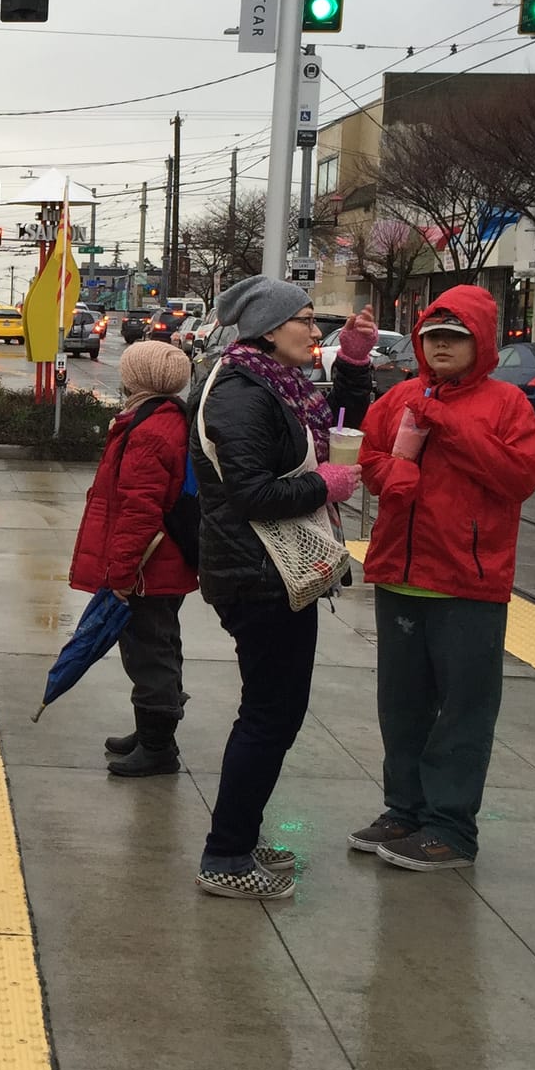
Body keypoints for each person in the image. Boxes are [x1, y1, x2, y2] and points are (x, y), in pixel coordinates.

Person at [189, 276, 376, 900]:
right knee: (270, 715)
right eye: (304, 319)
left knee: (274, 713)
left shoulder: (274, 385)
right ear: (269, 329)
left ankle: (238, 836)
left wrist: (352, 364)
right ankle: (226, 854)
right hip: (257, 574)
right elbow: (253, 495)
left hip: (270, 574)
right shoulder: (241, 394)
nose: (314, 331)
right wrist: (329, 485)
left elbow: (337, 413)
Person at [351, 286, 535, 872]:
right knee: (402, 705)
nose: (441, 346)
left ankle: (451, 827)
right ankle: (405, 809)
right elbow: (369, 458)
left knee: (465, 709)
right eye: (433, 336)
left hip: (469, 583)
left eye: (455, 337)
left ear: (480, 343)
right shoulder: (399, 398)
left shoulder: (507, 404)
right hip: (400, 575)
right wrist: (392, 474)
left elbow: (518, 478)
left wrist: (446, 425)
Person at [68, 340, 198, 778]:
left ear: (139, 379)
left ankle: (159, 747)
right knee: (159, 646)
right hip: (165, 562)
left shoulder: (148, 431)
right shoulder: (166, 418)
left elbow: (138, 508)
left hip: (149, 566)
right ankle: (151, 733)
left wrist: (121, 573)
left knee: (149, 654)